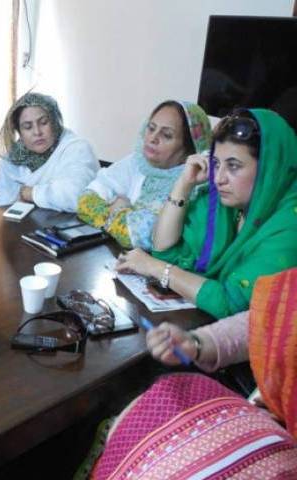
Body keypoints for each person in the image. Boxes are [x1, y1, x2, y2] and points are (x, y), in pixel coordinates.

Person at [86, 268, 297, 479]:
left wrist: (156, 266)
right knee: (158, 399)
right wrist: (195, 343)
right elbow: (268, 320)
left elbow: (227, 300)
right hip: (273, 413)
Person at [116, 109, 297, 318]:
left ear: (269, 168)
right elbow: (164, 249)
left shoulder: (289, 226)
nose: (219, 178)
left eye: (233, 166)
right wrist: (184, 184)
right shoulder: (227, 205)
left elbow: (231, 302)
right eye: (216, 163)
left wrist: (156, 269)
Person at [78, 100, 211, 249]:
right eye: (151, 128)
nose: (152, 138)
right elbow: (85, 200)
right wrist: (124, 218)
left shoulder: (195, 183)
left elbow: (147, 236)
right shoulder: (138, 162)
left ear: (190, 148)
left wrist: (117, 210)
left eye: (166, 135)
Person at [0, 92, 99, 212]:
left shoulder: (76, 147)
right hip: (24, 228)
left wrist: (29, 193)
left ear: (54, 122)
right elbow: (2, 207)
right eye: (28, 127)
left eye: (43, 122)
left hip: (72, 226)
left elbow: (77, 196)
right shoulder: (11, 160)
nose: (37, 132)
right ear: (19, 132)